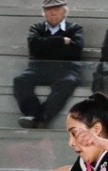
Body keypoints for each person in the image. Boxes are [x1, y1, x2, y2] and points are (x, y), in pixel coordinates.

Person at [13, 0, 84, 129]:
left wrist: (45, 45)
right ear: (44, 12)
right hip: (40, 67)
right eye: (48, 9)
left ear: (64, 12)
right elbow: (34, 47)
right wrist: (62, 41)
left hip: (66, 69)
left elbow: (75, 51)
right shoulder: (36, 28)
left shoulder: (75, 28)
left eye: (56, 9)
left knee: (67, 83)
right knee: (20, 80)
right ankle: (32, 113)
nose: (52, 12)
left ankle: (43, 117)